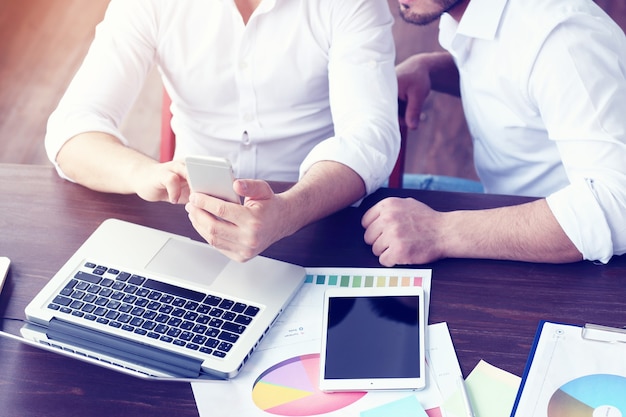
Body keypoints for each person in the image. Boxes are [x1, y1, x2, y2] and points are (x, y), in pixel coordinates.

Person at [45, 0, 400, 262]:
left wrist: (289, 212)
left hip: (315, 220)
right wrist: (142, 172)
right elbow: (71, 129)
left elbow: (369, 137)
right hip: (190, 224)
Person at [362, 0, 626, 266]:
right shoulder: (470, 12)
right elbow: (514, 78)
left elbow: (617, 207)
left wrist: (439, 232)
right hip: (504, 202)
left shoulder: (562, 40)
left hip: (572, 251)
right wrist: (430, 69)